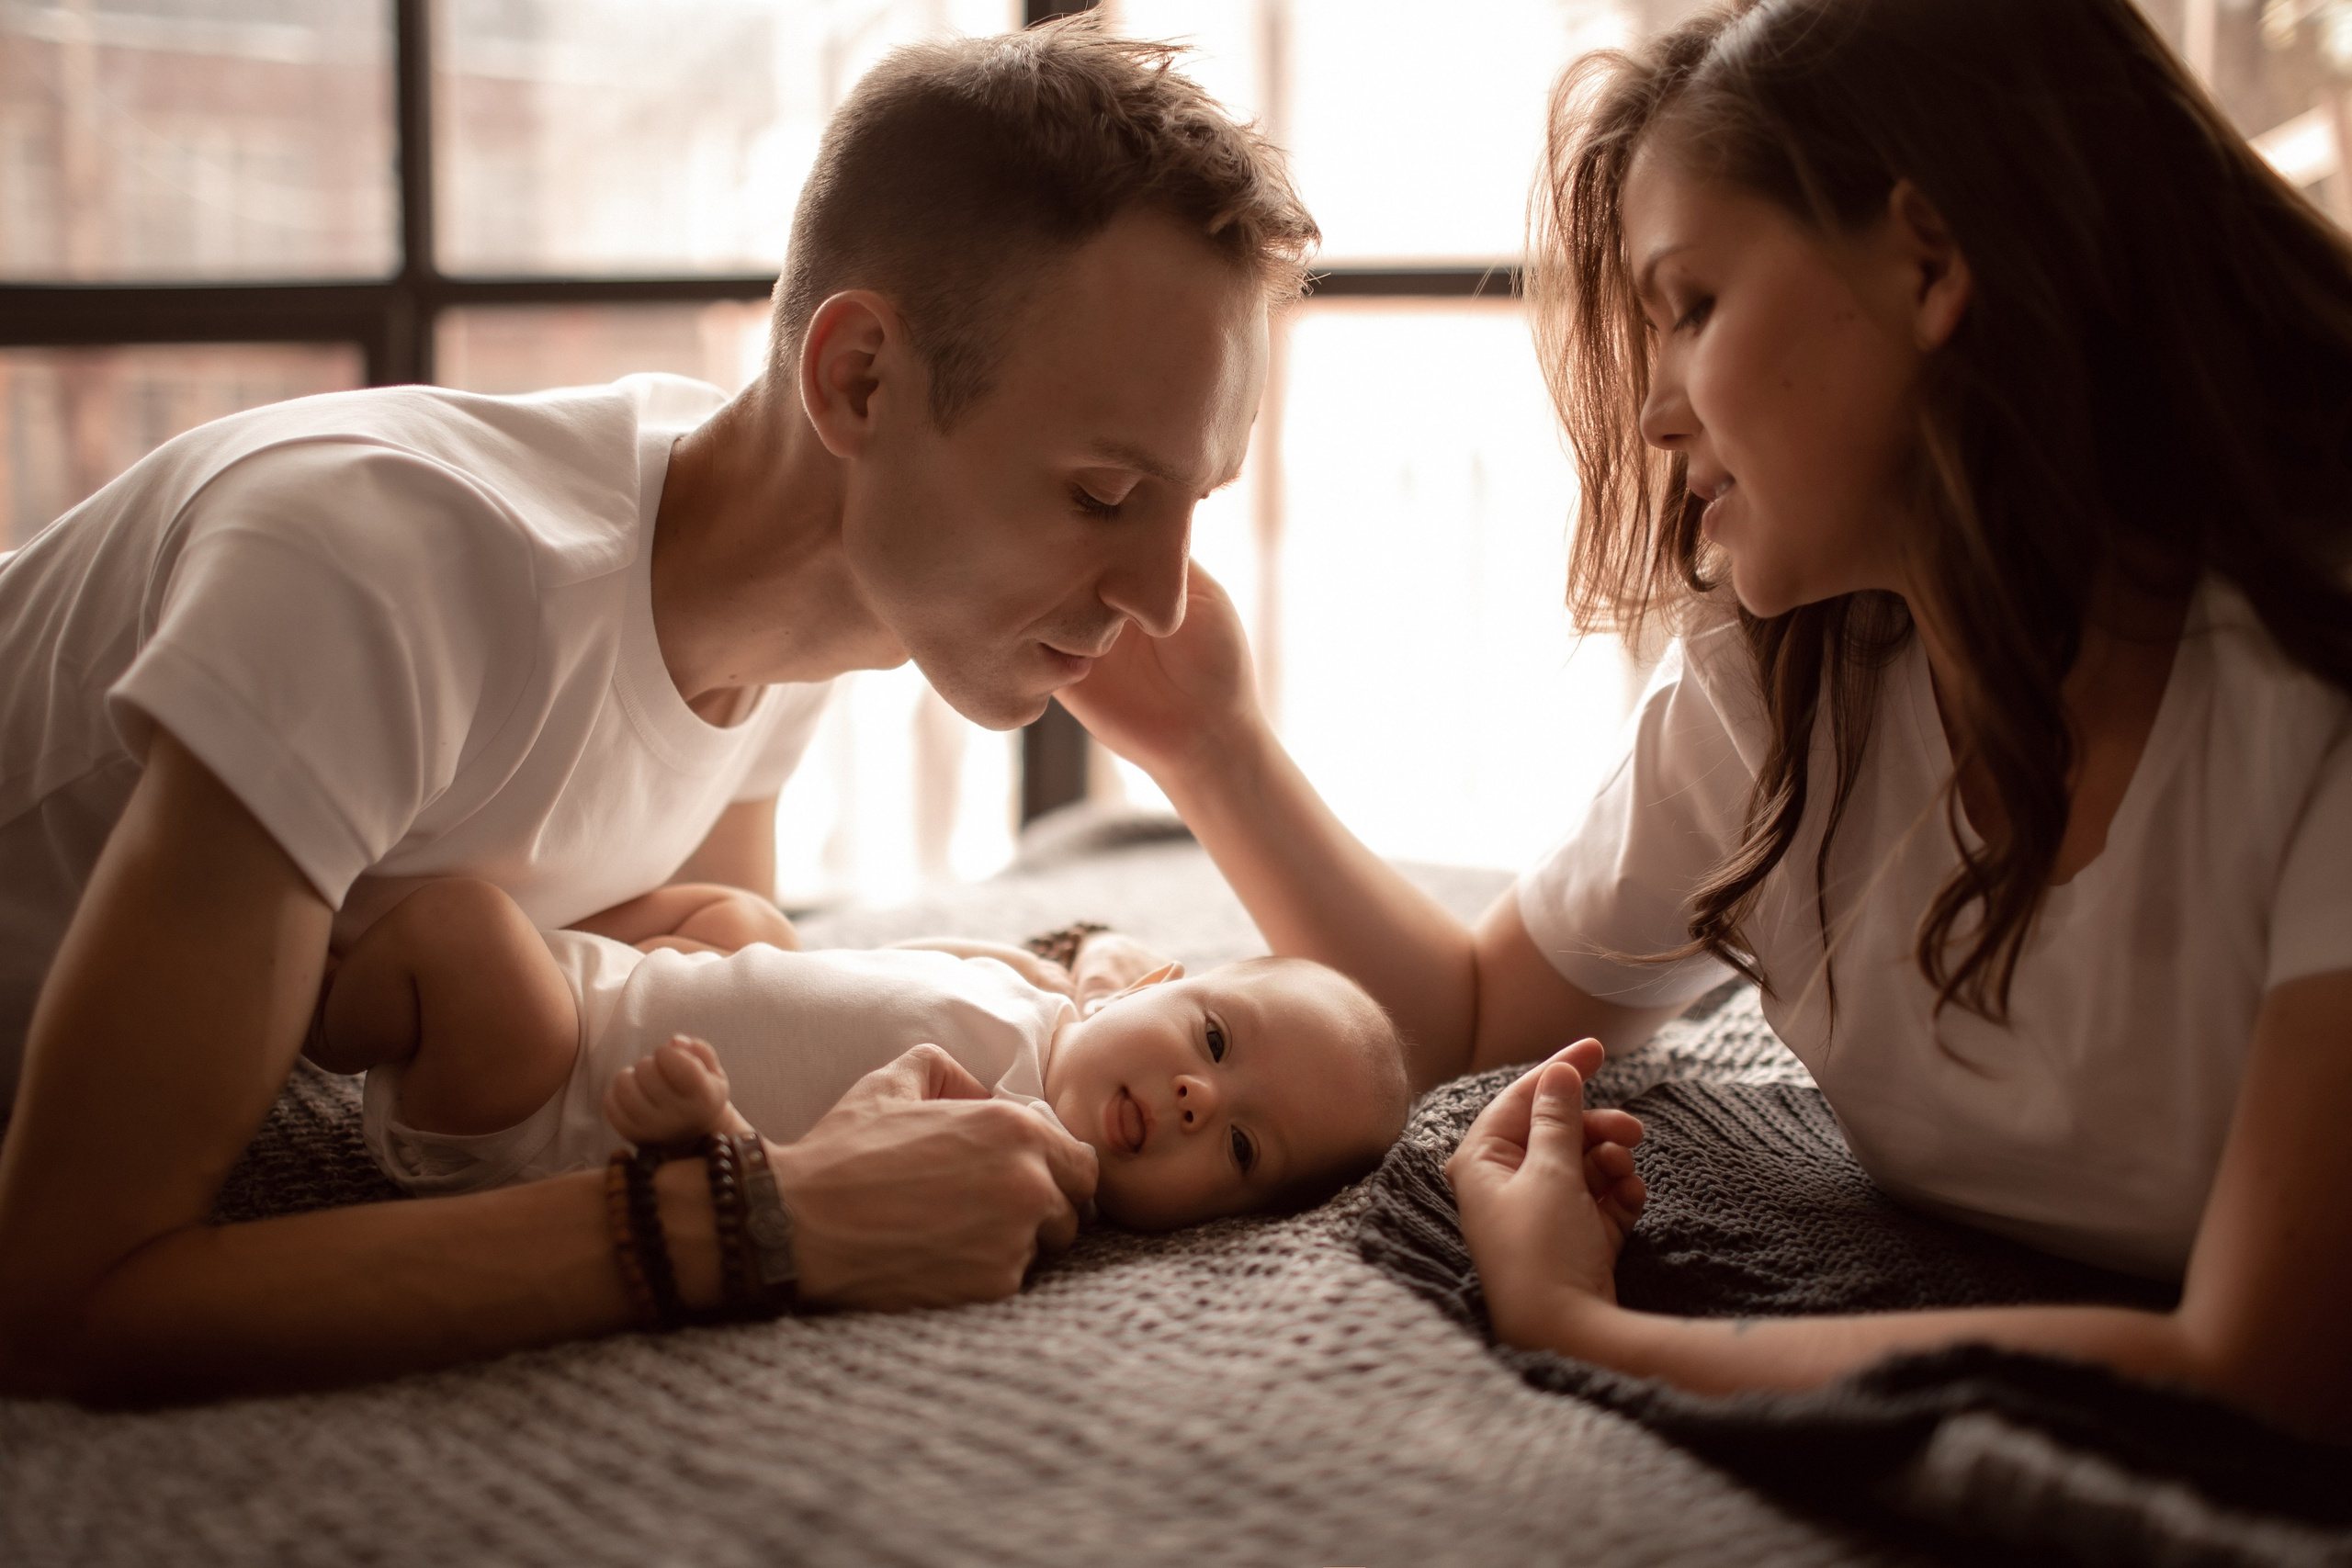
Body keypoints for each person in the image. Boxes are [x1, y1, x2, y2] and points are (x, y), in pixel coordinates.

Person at [1061, 0, 2352, 1440]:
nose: (1658, 414)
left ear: (1929, 261)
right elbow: (1477, 1022)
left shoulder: (2310, 691)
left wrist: (1576, 1325)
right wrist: (1209, 742)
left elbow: (2271, 1366)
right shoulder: (1792, 683)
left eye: (1690, 306)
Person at [0, 20, 1319, 1401]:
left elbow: (671, 1029)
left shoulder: (787, 623)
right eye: (1105, 494)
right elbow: (66, 1298)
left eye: (1190, 504)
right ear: (858, 379)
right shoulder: (373, 574)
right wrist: (768, 1220)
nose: (1165, 599)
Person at [315, 880, 1415, 1232]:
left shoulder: (1016, 1145)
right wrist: (1084, 970)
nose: (1190, 1097)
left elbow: (829, 1187)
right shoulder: (1045, 999)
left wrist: (712, 1131)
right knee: (746, 914)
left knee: (461, 932)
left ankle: (283, 1013)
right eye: (1214, 1042)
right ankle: (654, 956)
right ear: (1154, 986)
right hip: (644, 993)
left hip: (552, 1094)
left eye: (1237, 1146)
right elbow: (890, 962)